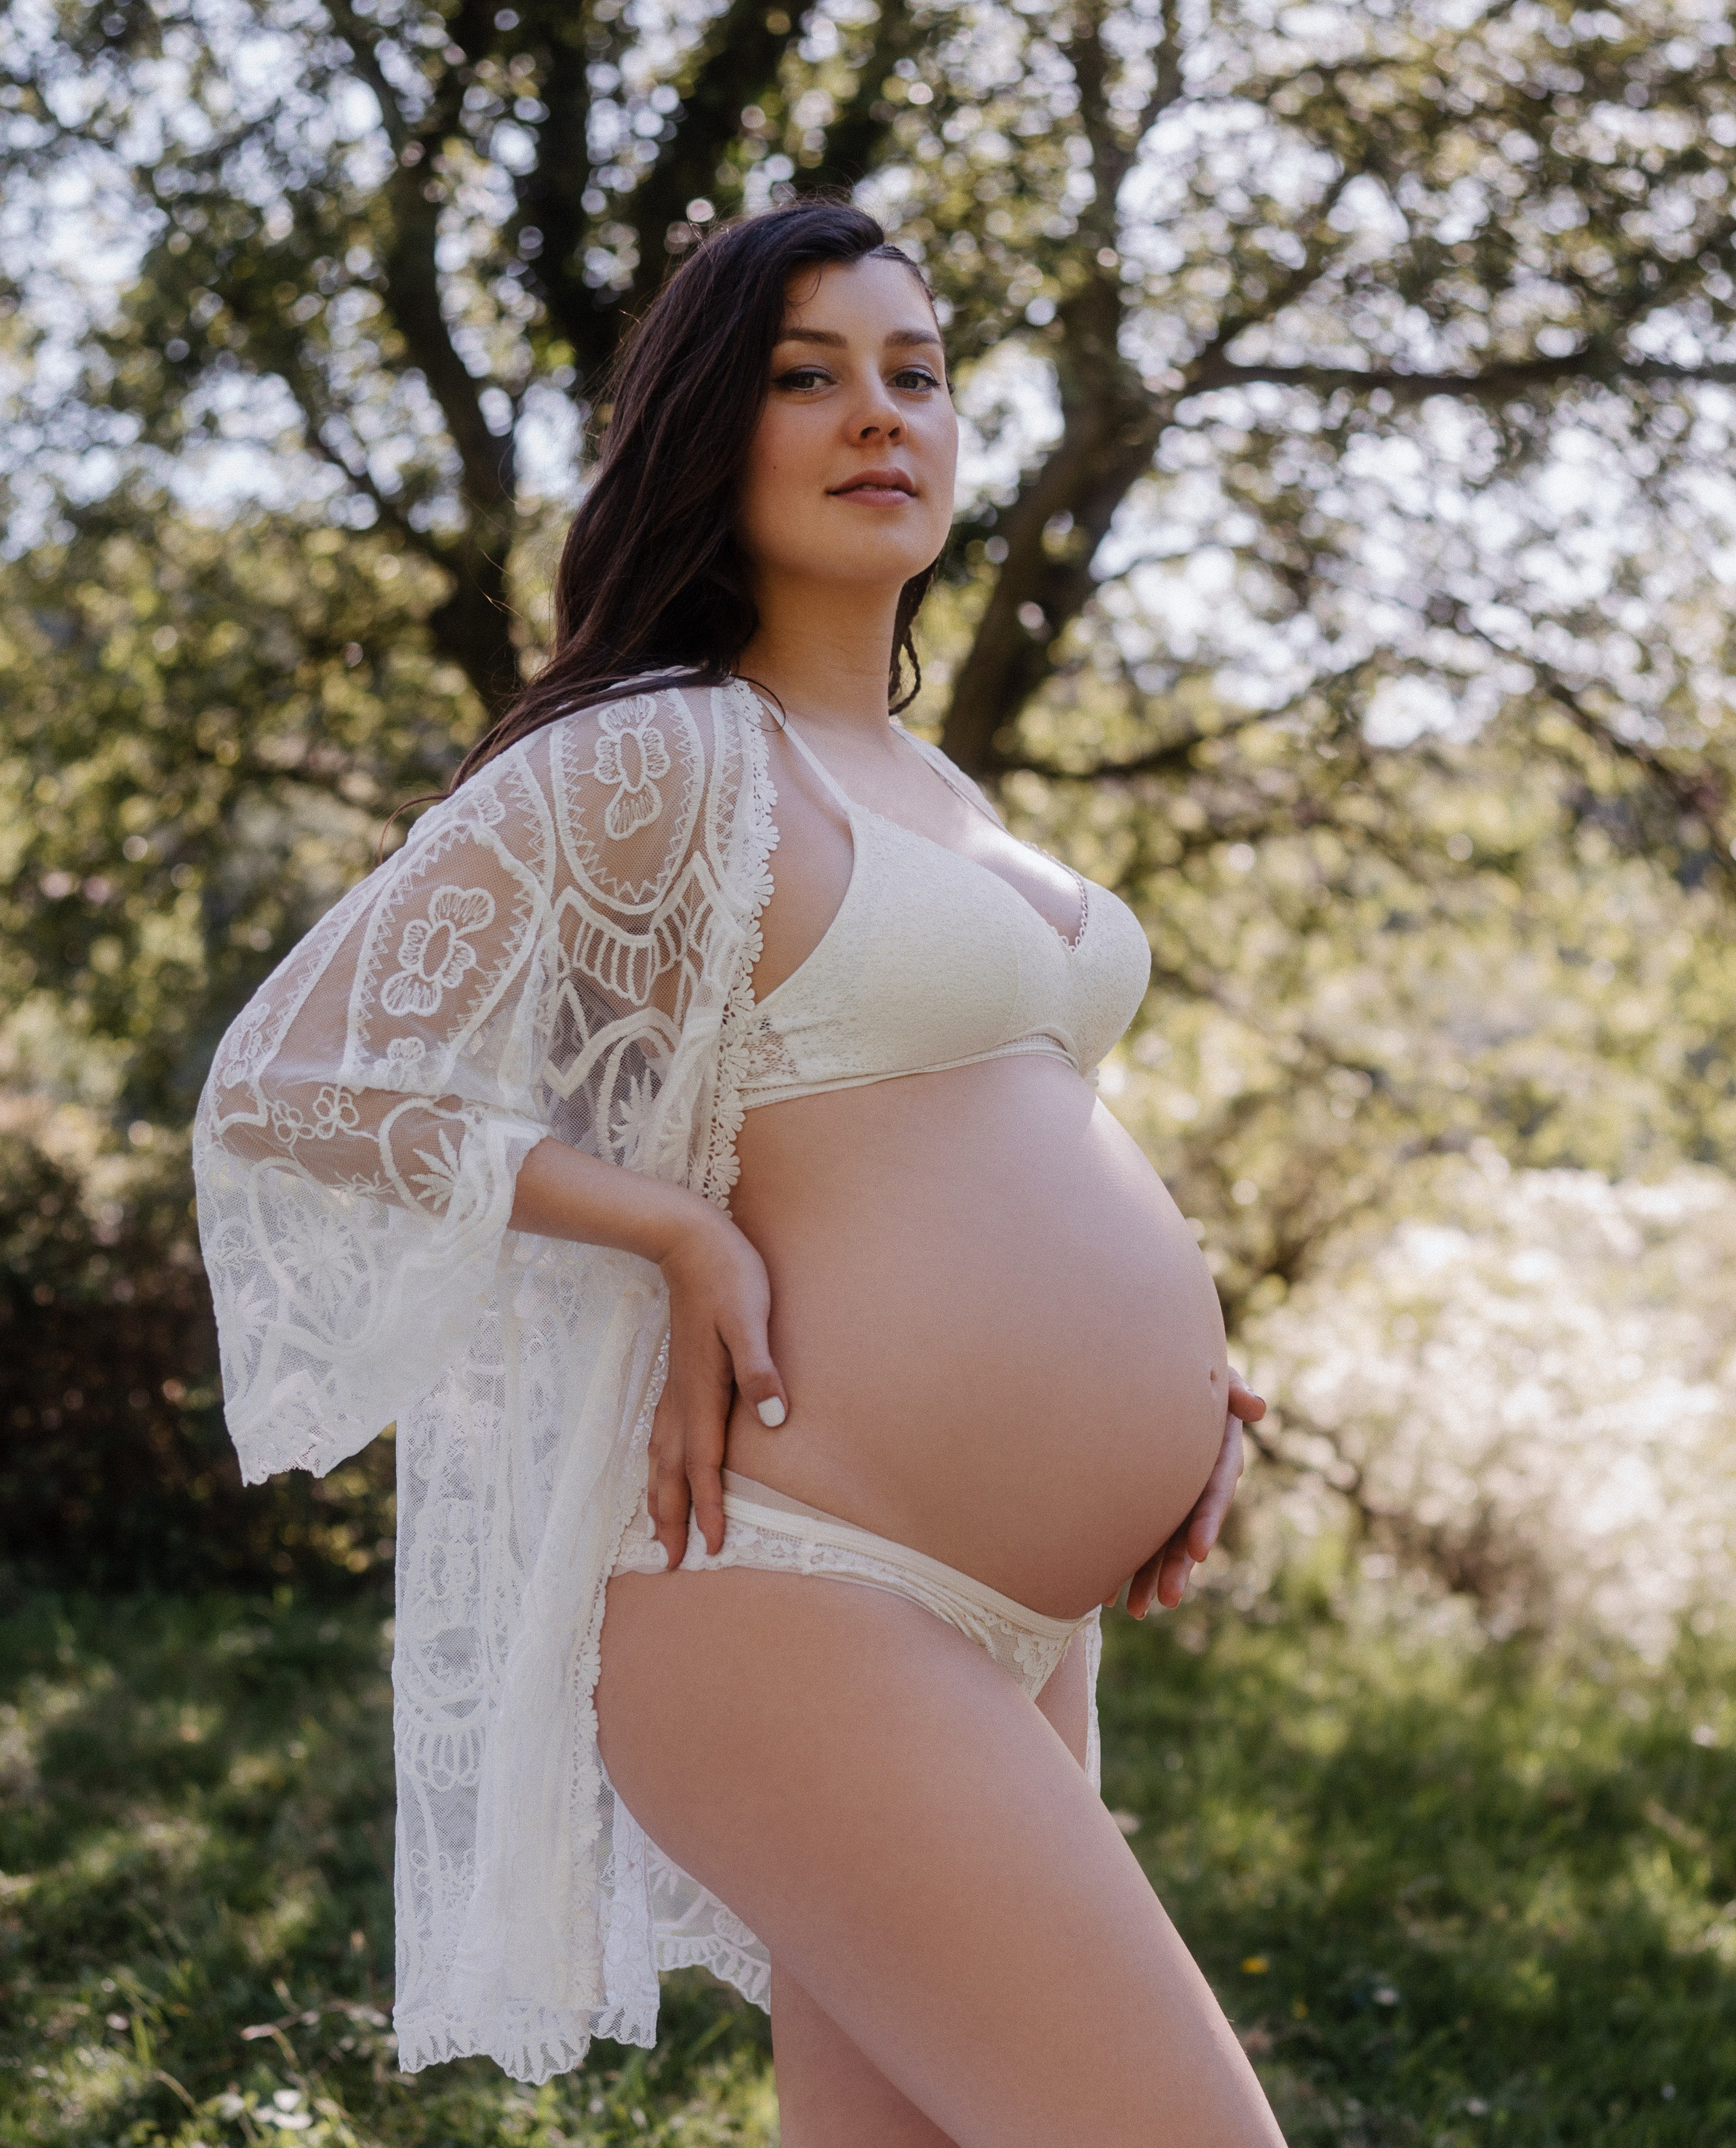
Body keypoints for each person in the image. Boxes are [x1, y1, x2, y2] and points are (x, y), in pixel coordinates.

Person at [195, 198, 1282, 2146]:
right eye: (809, 377)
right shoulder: (659, 753)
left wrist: (1183, 1394)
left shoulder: (941, 791)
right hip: (792, 1589)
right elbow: (298, 1077)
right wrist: (663, 1222)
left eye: (916, 374)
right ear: (713, 428)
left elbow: (978, 1155)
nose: (881, 415)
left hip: (1008, 1623)